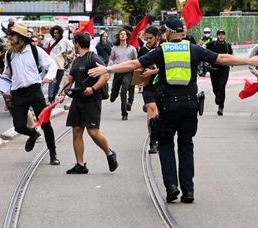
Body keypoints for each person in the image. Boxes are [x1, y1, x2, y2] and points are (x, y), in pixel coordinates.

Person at [88, 18, 252, 204]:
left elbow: (134, 65)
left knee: (166, 144)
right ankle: (188, 191)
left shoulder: (162, 50)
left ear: (168, 32)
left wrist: (108, 68)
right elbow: (222, 58)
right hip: (190, 106)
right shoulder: (193, 48)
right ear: (181, 32)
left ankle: (172, 187)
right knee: (186, 145)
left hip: (168, 106)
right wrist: (250, 60)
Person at [58, 33, 118, 174]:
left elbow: (105, 75)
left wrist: (93, 88)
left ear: (77, 44)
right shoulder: (77, 61)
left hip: (92, 99)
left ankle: (109, 153)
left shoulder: (93, 58)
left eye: (74, 43)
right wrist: (62, 93)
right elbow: (70, 78)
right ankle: (80, 164)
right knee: (76, 130)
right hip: (78, 99)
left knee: (93, 132)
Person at [1, 23, 60, 165]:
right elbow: (6, 74)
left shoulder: (35, 51)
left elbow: (52, 65)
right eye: (9, 35)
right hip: (18, 93)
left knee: (45, 123)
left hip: (34, 90)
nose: (10, 37)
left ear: (20, 37)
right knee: (19, 126)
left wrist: (48, 77)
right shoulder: (9, 54)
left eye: (13, 35)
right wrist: (4, 88)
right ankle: (33, 133)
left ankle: (53, 154)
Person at [138, 26, 160, 154]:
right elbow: (138, 66)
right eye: (146, 39)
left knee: (160, 115)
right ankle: (153, 141)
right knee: (151, 111)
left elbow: (168, 68)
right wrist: (139, 77)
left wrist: (153, 71)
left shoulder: (164, 48)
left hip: (163, 86)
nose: (148, 41)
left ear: (157, 37)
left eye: (150, 38)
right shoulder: (142, 50)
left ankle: (162, 137)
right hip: (148, 86)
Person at [108, 29, 137, 120]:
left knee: (123, 92)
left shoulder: (132, 49)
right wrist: (110, 65)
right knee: (113, 97)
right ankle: (114, 95)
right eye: (121, 34)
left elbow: (135, 61)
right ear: (119, 36)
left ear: (127, 36)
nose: (123, 35)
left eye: (124, 34)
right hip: (117, 72)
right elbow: (111, 59)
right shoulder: (114, 48)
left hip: (128, 73)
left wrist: (136, 75)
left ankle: (124, 113)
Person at [206, 29, 233, 116]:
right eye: (219, 34)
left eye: (222, 35)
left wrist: (233, 62)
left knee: (222, 88)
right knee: (215, 89)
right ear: (217, 36)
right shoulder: (212, 44)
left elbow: (232, 55)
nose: (221, 36)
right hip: (214, 70)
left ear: (224, 36)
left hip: (224, 70)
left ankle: (221, 107)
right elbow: (204, 47)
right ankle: (218, 97)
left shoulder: (228, 45)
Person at [44, 25, 74, 103]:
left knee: (57, 83)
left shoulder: (65, 40)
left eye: (57, 33)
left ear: (60, 33)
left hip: (60, 65)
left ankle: (53, 96)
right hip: (51, 65)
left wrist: (69, 55)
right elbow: (45, 49)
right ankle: (51, 98)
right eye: (54, 33)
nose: (55, 34)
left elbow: (73, 48)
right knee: (52, 82)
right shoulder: (49, 40)